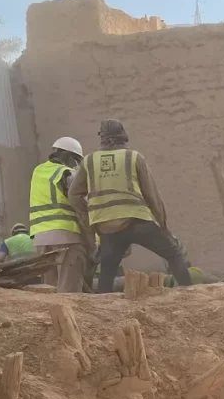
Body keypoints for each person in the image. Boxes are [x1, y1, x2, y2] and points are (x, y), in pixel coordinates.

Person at [69, 119, 192, 293]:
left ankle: (103, 305)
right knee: (174, 253)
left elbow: (74, 195)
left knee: (108, 270)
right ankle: (190, 294)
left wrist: (90, 219)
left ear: (102, 138)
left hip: (107, 228)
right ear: (122, 137)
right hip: (136, 221)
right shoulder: (134, 157)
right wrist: (163, 225)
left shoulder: (88, 161)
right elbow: (152, 195)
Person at [29, 136, 90, 292]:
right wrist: (92, 238)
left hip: (41, 238)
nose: (77, 165)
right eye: (76, 160)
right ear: (69, 156)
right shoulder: (66, 173)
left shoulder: (38, 171)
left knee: (50, 288)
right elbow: (81, 202)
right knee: (69, 288)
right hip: (67, 236)